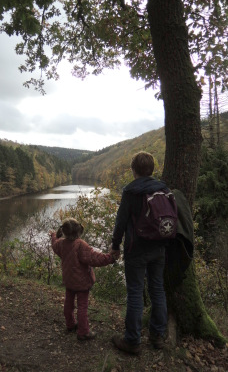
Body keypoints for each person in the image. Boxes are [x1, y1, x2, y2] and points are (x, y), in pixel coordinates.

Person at [111, 151, 169, 355]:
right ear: (151, 169)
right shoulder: (163, 188)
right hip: (160, 248)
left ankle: (133, 341)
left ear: (133, 170)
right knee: (158, 290)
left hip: (136, 250)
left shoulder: (131, 191)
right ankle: (157, 336)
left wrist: (115, 246)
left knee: (135, 293)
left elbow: (120, 223)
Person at [50, 217, 118, 341]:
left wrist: (54, 236)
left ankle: (70, 324)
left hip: (69, 280)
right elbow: (95, 258)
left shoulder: (61, 244)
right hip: (82, 283)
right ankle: (83, 332)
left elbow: (54, 245)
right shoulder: (80, 245)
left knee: (68, 303)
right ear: (78, 232)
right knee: (82, 306)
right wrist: (111, 258)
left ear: (64, 231)